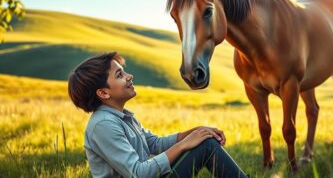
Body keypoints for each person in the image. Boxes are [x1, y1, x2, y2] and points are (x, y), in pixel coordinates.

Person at [68, 52, 249, 178]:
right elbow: (139, 173)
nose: (129, 76)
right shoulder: (103, 125)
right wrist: (185, 145)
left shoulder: (122, 117)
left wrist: (196, 132)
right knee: (207, 147)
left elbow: (154, 144)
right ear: (103, 93)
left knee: (205, 141)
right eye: (119, 75)